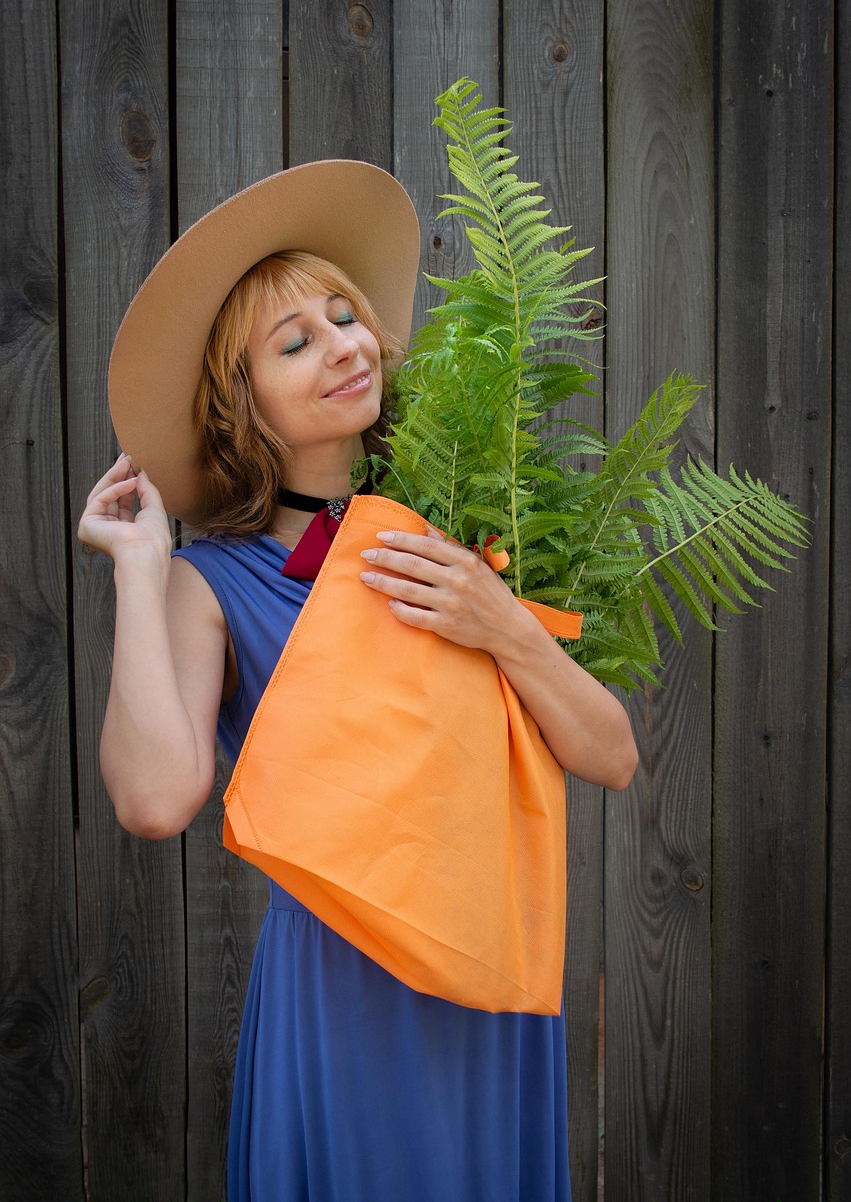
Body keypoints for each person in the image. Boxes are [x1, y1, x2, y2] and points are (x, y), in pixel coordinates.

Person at [78, 160, 637, 1201]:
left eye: (344, 315)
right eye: (294, 343)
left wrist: (502, 624)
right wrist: (142, 564)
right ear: (238, 405)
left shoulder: (465, 534)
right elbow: (154, 799)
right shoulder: (214, 582)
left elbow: (608, 754)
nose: (343, 343)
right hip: (339, 990)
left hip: (492, 975)